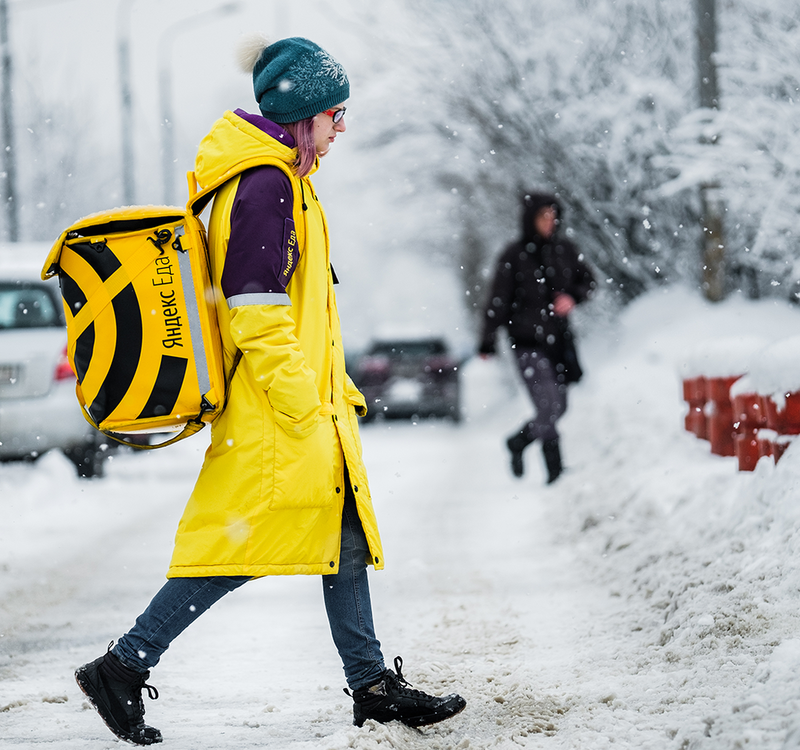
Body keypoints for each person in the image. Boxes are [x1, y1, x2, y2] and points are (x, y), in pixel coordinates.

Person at [72, 37, 466, 746]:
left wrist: (332, 385)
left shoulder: (278, 176)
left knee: (338, 537)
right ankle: (123, 665)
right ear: (303, 114)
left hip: (294, 403)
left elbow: (301, 307)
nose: (340, 130)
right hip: (276, 411)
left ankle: (371, 685)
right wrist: (302, 403)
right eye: (335, 116)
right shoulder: (264, 184)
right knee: (237, 549)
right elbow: (254, 307)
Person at [478, 193, 596, 485]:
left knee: (560, 407)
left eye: (553, 216)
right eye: (544, 216)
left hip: (560, 342)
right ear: (530, 219)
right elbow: (498, 301)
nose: (550, 222)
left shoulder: (565, 250)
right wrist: (487, 340)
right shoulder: (514, 256)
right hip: (526, 343)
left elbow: (589, 281)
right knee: (548, 408)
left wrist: (573, 297)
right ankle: (554, 472)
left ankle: (518, 442)